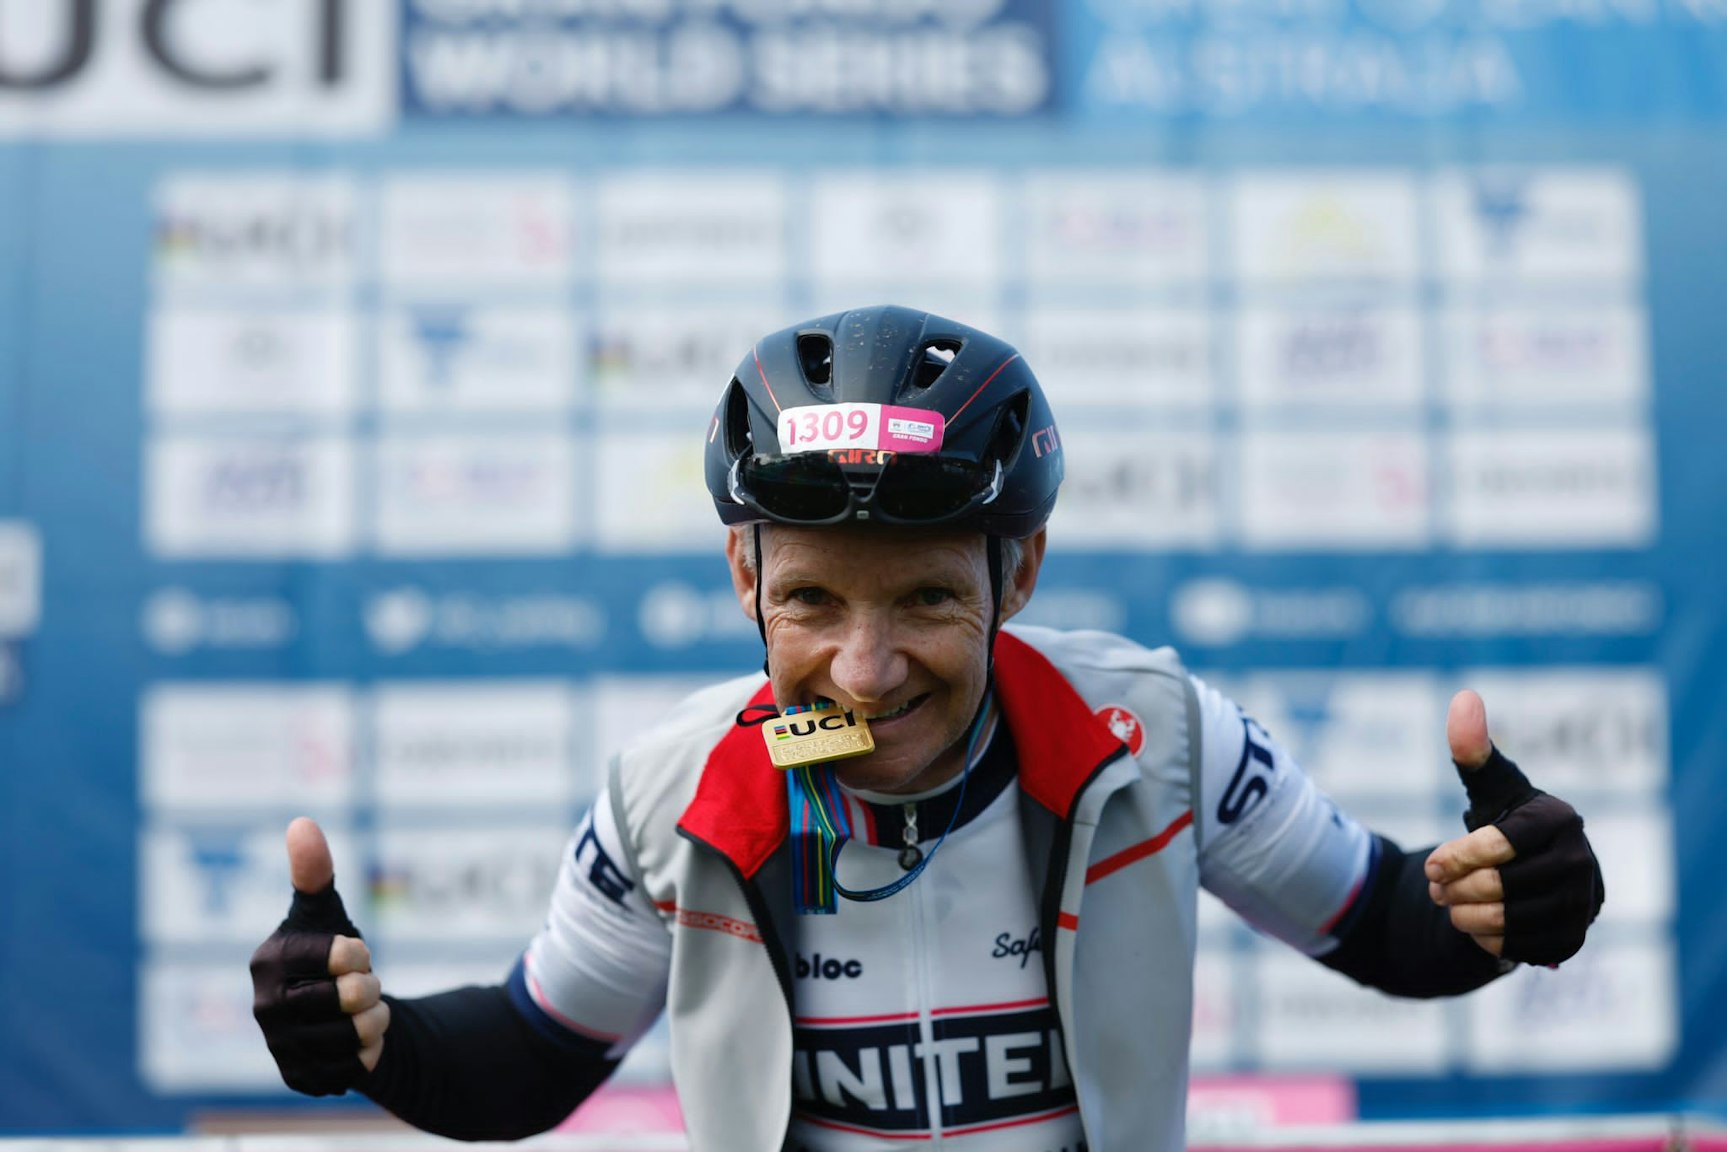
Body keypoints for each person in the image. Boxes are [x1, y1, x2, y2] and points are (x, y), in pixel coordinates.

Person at [251, 305, 1605, 1151]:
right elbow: (532, 1062)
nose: (865, 667)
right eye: (812, 602)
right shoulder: (681, 793)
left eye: (925, 601)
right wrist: (369, 1044)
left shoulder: (1156, 738)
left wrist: (1513, 905)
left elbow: (1384, 926)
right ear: (744, 582)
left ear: (1019, 575)